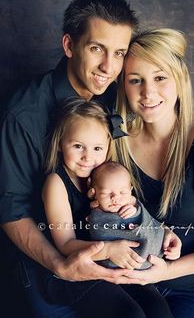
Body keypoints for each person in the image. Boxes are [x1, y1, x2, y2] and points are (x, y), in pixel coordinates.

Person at [0, 0, 138, 317]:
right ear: (69, 46)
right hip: (41, 260)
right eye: (97, 49)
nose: (109, 66)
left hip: (105, 242)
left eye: (119, 53)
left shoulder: (114, 97)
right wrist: (62, 266)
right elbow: (10, 209)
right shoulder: (24, 114)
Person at [114, 28, 194, 318]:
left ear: (179, 80)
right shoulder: (115, 142)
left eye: (160, 77)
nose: (148, 92)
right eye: (135, 80)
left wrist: (168, 270)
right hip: (135, 285)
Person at [41, 98, 174, 318]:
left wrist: (164, 232)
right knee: (129, 313)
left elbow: (134, 217)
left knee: (159, 310)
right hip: (77, 271)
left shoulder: (110, 176)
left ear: (108, 147)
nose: (88, 157)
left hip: (115, 263)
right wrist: (109, 249)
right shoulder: (56, 183)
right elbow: (65, 245)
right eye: (77, 146)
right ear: (59, 143)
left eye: (97, 148)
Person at [89, 161, 181, 269]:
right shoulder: (96, 212)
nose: (115, 198)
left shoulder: (132, 204)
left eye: (122, 192)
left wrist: (135, 211)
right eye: (106, 193)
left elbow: (147, 220)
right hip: (119, 264)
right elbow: (98, 233)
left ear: (130, 190)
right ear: (94, 193)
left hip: (155, 256)